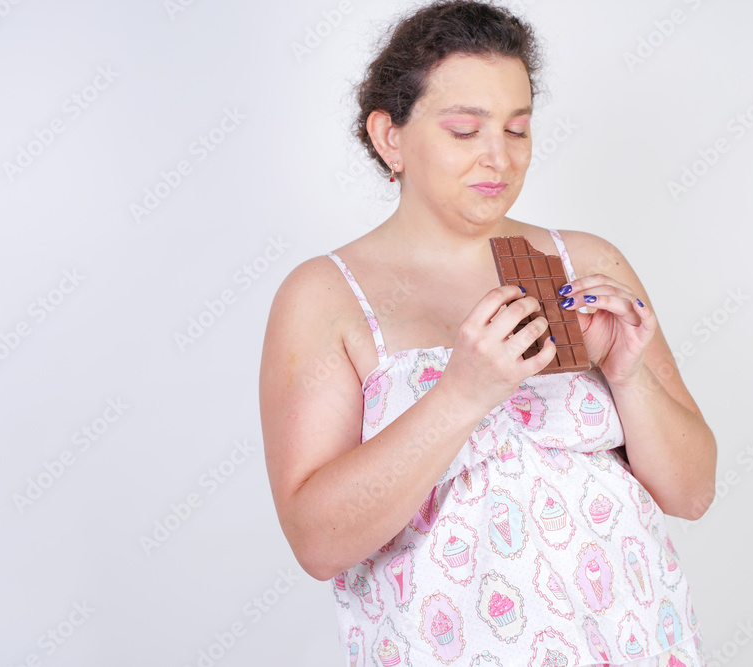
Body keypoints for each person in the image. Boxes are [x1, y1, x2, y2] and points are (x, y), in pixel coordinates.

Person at [260, 1, 717, 664]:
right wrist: (462, 392)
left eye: (518, 129)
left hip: (636, 640)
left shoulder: (585, 261)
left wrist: (626, 373)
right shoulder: (325, 296)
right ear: (391, 137)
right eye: (465, 130)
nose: (498, 158)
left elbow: (693, 491)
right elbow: (317, 540)